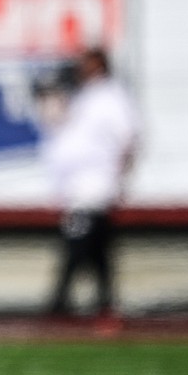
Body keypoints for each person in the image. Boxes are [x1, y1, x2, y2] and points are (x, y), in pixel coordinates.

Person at [38, 47, 139, 320]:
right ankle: (105, 303)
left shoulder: (110, 96)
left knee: (78, 243)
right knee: (96, 248)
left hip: (93, 184)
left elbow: (128, 138)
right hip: (78, 186)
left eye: (87, 63)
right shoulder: (86, 96)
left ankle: (60, 303)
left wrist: (118, 177)